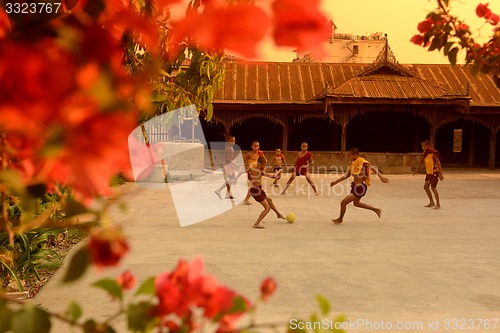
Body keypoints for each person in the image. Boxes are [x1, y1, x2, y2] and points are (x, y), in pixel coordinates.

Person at [330, 148, 389, 224]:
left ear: (355, 155)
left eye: (350, 155)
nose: (349, 157)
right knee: (356, 204)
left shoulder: (362, 161)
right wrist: (336, 181)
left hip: (360, 188)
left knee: (343, 203)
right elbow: (347, 175)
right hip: (355, 187)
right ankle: (376, 210)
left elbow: (373, 168)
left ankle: (340, 219)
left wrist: (381, 178)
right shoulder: (353, 164)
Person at [248, 157, 285, 229]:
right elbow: (273, 176)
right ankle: (256, 223)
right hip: (256, 191)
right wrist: (279, 171)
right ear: (262, 164)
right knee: (267, 208)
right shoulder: (260, 171)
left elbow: (248, 174)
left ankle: (278, 214)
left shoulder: (252, 168)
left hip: (257, 189)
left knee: (269, 200)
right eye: (265, 164)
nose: (265, 166)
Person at [413, 140, 444, 209]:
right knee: (426, 187)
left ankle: (438, 204)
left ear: (428, 146)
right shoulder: (425, 153)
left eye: (424, 146)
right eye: (422, 146)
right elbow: (421, 161)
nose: (423, 147)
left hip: (434, 172)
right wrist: (416, 170)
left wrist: (441, 174)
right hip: (428, 173)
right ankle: (431, 202)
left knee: (433, 188)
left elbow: (438, 163)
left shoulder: (433, 153)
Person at [238, 141, 265, 205]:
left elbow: (263, 161)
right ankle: (246, 199)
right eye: (255, 146)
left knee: (256, 186)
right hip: (251, 172)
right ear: (252, 147)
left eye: (257, 146)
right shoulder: (249, 154)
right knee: (254, 186)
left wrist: (262, 169)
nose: (256, 148)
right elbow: (243, 162)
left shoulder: (260, 153)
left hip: (258, 171)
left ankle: (248, 198)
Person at [214, 136, 238, 200]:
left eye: (234, 141)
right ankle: (218, 190)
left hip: (230, 166)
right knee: (231, 180)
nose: (233, 142)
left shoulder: (230, 147)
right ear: (228, 141)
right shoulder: (228, 148)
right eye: (231, 141)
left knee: (231, 180)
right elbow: (227, 159)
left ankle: (227, 194)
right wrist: (235, 164)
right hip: (228, 165)